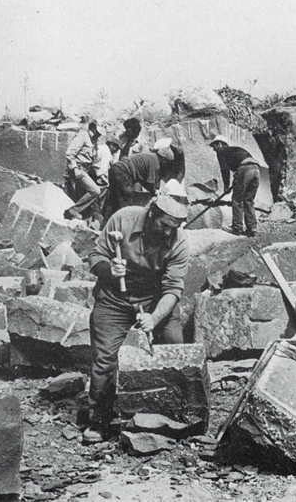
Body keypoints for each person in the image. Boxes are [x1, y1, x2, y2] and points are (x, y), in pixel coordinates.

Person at [83, 185, 191, 444]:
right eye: (165, 224)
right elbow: (95, 256)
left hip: (155, 299)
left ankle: (173, 415)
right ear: (152, 211)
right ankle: (99, 418)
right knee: (105, 360)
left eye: (174, 226)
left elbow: (173, 289)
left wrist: (154, 318)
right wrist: (110, 270)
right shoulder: (123, 218)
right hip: (114, 299)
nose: (168, 231)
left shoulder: (180, 242)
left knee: (174, 350)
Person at [103, 146, 174, 221]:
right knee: (126, 203)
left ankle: (106, 223)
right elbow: (150, 183)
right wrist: (155, 192)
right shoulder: (155, 162)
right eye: (167, 162)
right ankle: (122, 225)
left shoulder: (150, 157)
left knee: (113, 201)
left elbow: (144, 181)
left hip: (116, 169)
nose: (166, 165)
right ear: (163, 159)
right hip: (123, 173)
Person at [209, 134, 260, 237]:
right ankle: (252, 228)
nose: (214, 150)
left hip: (244, 169)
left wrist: (226, 186)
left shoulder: (221, 151)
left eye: (214, 146)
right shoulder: (236, 149)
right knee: (248, 199)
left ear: (219, 144)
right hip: (256, 169)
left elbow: (225, 169)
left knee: (237, 200)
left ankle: (237, 227)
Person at [65, 121, 104, 213]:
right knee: (95, 191)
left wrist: (101, 174)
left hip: (86, 170)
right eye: (97, 132)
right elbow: (69, 154)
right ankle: (73, 211)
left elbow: (94, 159)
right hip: (78, 169)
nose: (99, 135)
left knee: (82, 194)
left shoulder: (94, 140)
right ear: (93, 129)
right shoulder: (82, 137)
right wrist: (75, 168)